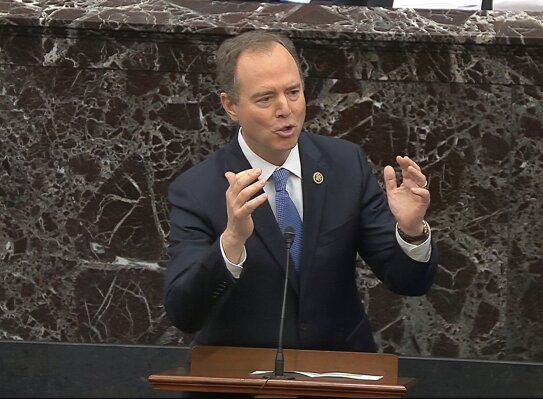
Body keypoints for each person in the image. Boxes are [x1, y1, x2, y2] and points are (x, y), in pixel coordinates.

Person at [163, 29, 437, 371]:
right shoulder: (197, 190)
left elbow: (409, 281)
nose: (286, 109)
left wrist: (411, 232)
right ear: (230, 105)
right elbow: (183, 312)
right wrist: (232, 241)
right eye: (265, 98)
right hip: (240, 384)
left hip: (338, 377)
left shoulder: (345, 165)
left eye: (293, 92)